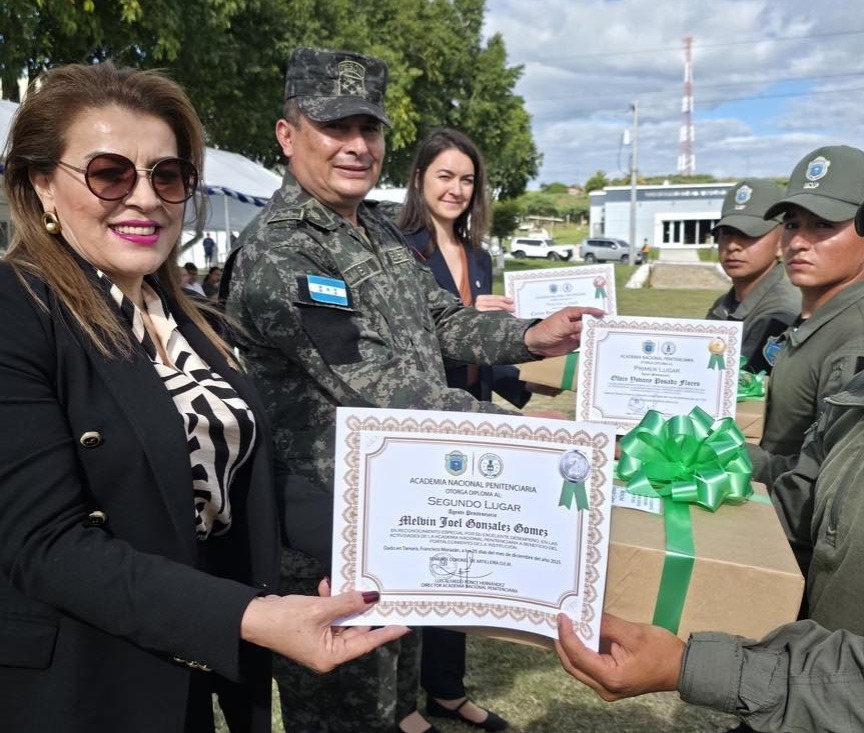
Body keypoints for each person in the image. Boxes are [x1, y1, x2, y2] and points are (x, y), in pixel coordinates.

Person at [0, 61, 406, 733]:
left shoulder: (194, 321)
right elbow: (46, 544)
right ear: (42, 184)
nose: (145, 198)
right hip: (80, 685)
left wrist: (409, 530)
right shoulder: (18, 308)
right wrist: (250, 616)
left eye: (167, 175)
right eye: (109, 173)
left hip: (189, 669)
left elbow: (243, 485)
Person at [222, 47, 600, 733]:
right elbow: (380, 388)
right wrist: (546, 447)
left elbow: (443, 319)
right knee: (347, 712)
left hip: (400, 514)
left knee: (393, 698)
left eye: (369, 129)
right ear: (287, 134)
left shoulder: (378, 233)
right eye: (335, 127)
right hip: (327, 538)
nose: (357, 146)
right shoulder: (280, 251)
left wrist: (530, 338)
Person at [554, 344, 864, 732]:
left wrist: (689, 666)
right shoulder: (858, 389)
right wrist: (686, 453)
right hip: (788, 695)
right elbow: (798, 499)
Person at [397, 128, 526, 732]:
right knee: (409, 559)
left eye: (467, 178)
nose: (456, 188)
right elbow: (413, 341)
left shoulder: (479, 254)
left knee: (462, 557)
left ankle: (447, 688)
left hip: (474, 411)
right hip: (418, 416)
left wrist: (531, 390)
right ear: (420, 178)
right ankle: (401, 705)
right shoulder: (398, 247)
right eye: (444, 175)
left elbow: (484, 347)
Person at [742, 147, 864, 497]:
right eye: (792, 224)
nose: (797, 242)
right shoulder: (818, 318)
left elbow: (820, 492)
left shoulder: (854, 336)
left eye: (824, 225)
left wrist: (721, 456)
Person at [705, 179, 800, 373]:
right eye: (726, 233)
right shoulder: (723, 305)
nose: (732, 246)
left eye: (749, 234)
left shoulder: (780, 313)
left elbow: (750, 395)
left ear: (782, 242)